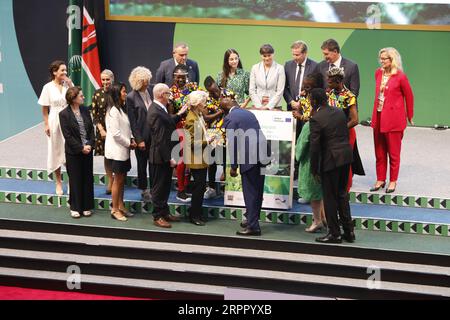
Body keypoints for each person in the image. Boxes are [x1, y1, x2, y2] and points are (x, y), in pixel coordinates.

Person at [309, 88, 355, 244]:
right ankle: (349, 232)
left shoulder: (316, 118)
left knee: (329, 198)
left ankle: (334, 234)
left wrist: (314, 169)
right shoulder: (339, 112)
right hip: (346, 157)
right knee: (342, 195)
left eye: (310, 99)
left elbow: (314, 147)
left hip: (330, 162)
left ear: (314, 101)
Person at [222, 96, 269, 236]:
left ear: (224, 110)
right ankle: (251, 219)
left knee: (250, 192)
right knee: (258, 190)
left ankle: (253, 227)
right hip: (263, 153)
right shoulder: (248, 112)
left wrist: (233, 166)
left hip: (250, 157)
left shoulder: (230, 118)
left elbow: (233, 144)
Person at [370, 47, 414, 194]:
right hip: (379, 117)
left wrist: (410, 115)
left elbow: (409, 96)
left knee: (394, 153)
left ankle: (393, 181)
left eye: (384, 59)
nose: (381, 61)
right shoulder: (378, 73)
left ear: (392, 59)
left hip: (394, 120)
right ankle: (380, 179)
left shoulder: (400, 76)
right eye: (380, 58)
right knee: (379, 151)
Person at [147, 83, 189, 228]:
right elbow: (159, 138)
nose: (169, 96)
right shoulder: (154, 111)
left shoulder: (160, 108)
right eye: (167, 93)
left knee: (165, 187)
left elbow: (169, 122)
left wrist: (180, 114)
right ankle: (157, 216)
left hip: (163, 156)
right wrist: (169, 157)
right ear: (160, 95)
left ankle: (164, 213)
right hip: (159, 157)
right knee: (159, 188)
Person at [326, 67, 365, 192]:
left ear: (338, 81)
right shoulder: (329, 93)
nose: (328, 83)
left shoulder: (349, 96)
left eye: (330, 81)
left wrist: (340, 129)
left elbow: (354, 120)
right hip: (331, 134)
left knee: (344, 163)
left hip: (346, 133)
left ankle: (345, 191)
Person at [38, 60, 73, 195]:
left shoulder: (68, 86)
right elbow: (44, 108)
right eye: (62, 70)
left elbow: (76, 98)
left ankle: (71, 181)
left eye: (65, 70)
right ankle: (58, 182)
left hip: (68, 121)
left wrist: (70, 84)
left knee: (69, 151)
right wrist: (46, 124)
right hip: (54, 121)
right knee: (55, 150)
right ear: (54, 72)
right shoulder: (48, 87)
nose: (65, 72)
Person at [59, 87, 94, 219]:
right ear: (73, 99)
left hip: (88, 150)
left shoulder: (85, 110)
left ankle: (86, 206)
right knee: (76, 179)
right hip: (74, 152)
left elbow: (91, 130)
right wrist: (80, 148)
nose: (84, 97)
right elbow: (67, 136)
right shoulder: (64, 114)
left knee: (87, 178)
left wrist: (90, 144)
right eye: (81, 96)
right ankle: (75, 207)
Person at [105, 84, 137, 222]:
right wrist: (129, 143)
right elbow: (116, 134)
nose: (126, 93)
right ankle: (115, 209)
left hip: (123, 150)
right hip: (117, 152)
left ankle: (121, 205)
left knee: (122, 179)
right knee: (117, 181)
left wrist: (132, 140)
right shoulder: (113, 111)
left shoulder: (121, 110)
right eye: (124, 91)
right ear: (118, 94)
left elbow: (126, 130)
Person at [292, 72, 324, 204]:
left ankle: (316, 194)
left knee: (314, 164)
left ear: (316, 87)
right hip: (306, 130)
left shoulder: (321, 98)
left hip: (317, 132)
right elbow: (299, 110)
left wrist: (301, 117)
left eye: (308, 88)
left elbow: (315, 116)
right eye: (304, 87)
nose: (304, 90)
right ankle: (307, 192)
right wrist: (300, 113)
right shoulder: (304, 96)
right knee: (305, 163)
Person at [184, 91, 214, 226]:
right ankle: (194, 215)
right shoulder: (191, 119)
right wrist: (208, 141)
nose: (205, 104)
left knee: (200, 187)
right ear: (197, 104)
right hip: (196, 159)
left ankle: (196, 212)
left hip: (201, 158)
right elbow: (191, 143)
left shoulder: (198, 115)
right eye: (204, 102)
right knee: (199, 188)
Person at [170, 64, 198, 202]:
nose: (180, 80)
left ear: (187, 77)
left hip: (194, 126)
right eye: (178, 77)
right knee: (182, 159)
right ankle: (180, 189)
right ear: (173, 77)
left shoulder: (193, 88)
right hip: (179, 128)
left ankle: (186, 185)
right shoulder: (170, 92)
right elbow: (170, 114)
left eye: (183, 77)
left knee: (191, 158)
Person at [294, 108, 326, 233]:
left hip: (311, 162)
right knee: (321, 192)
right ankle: (323, 218)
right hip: (327, 161)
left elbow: (301, 146)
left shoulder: (309, 125)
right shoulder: (329, 121)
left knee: (314, 194)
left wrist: (297, 156)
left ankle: (317, 221)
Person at [127, 66, 153, 202]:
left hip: (154, 135)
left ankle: (154, 188)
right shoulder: (131, 97)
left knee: (154, 163)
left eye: (148, 80)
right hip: (141, 137)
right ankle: (144, 189)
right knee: (142, 165)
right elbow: (132, 122)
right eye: (145, 81)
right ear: (139, 82)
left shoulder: (151, 91)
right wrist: (139, 139)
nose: (148, 82)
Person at [202, 76, 230, 199]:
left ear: (216, 84)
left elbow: (236, 108)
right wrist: (220, 112)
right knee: (211, 161)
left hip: (228, 130)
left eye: (215, 90)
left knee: (226, 160)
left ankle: (227, 188)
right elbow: (206, 118)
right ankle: (212, 187)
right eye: (210, 91)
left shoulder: (228, 93)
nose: (213, 93)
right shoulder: (206, 98)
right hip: (213, 133)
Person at [91, 69, 115, 194]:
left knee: (116, 155)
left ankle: (118, 178)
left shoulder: (117, 92)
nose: (105, 82)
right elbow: (94, 114)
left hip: (116, 129)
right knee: (107, 156)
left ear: (112, 79)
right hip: (103, 130)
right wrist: (101, 130)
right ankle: (110, 179)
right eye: (103, 79)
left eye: (107, 79)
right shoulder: (97, 93)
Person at [284, 40, 318, 113]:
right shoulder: (288, 65)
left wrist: (303, 102)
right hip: (291, 108)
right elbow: (284, 87)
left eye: (297, 55)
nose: (294, 57)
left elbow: (316, 88)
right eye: (293, 54)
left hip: (308, 109)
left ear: (305, 53)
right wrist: (291, 101)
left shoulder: (315, 66)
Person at [249, 44, 286, 110]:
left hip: (275, 106)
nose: (267, 58)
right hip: (257, 106)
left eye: (269, 55)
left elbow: (280, 91)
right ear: (261, 56)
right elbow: (251, 90)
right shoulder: (255, 68)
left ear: (273, 54)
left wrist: (268, 107)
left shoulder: (280, 68)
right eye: (264, 56)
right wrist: (259, 106)